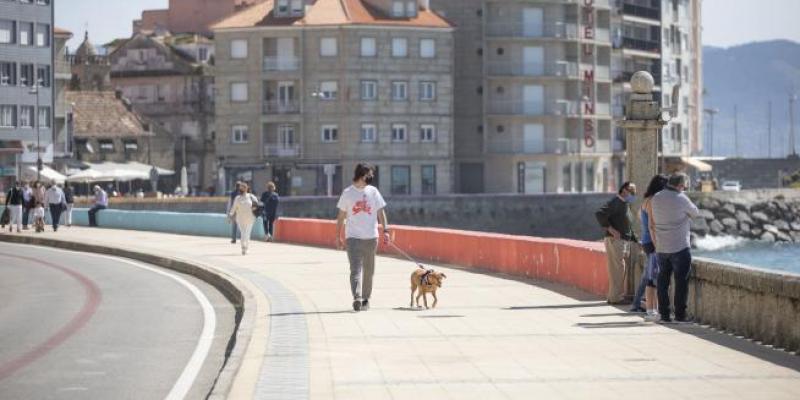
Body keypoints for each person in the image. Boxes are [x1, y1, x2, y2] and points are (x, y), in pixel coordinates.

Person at [335, 163, 390, 312]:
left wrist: (386, 230)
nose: (371, 177)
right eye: (369, 174)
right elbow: (341, 216)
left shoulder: (373, 191)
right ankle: (357, 298)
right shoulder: (347, 193)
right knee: (355, 269)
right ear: (361, 175)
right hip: (352, 237)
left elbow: (380, 212)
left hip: (371, 237)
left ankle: (365, 299)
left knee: (369, 270)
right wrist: (338, 236)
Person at [651, 173, 700, 323]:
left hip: (661, 247)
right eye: (684, 185)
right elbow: (695, 213)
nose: (684, 188)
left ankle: (664, 315)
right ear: (680, 185)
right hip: (679, 246)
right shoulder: (681, 198)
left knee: (663, 282)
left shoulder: (656, 197)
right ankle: (680, 315)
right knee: (681, 283)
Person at [631, 175, 668, 320]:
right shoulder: (653, 201)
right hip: (652, 243)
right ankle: (651, 309)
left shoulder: (645, 201)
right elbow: (652, 225)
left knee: (651, 275)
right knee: (653, 277)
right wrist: (657, 244)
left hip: (646, 241)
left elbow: (641, 218)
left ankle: (649, 308)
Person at [595, 181, 638, 304]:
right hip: (615, 241)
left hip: (622, 241)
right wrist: (611, 230)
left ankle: (613, 296)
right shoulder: (616, 202)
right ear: (624, 190)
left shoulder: (624, 204)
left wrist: (635, 239)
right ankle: (616, 298)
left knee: (618, 269)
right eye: (632, 192)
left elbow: (627, 226)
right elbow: (600, 214)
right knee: (618, 269)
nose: (634, 194)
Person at [228, 182, 259, 255]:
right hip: (240, 219)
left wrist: (256, 210)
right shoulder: (237, 198)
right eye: (240, 188)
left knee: (247, 234)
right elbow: (234, 208)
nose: (240, 189)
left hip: (250, 218)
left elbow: (257, 206)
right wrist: (230, 215)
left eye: (242, 187)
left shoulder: (251, 197)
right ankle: (243, 247)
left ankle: (246, 248)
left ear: (246, 188)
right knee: (243, 233)